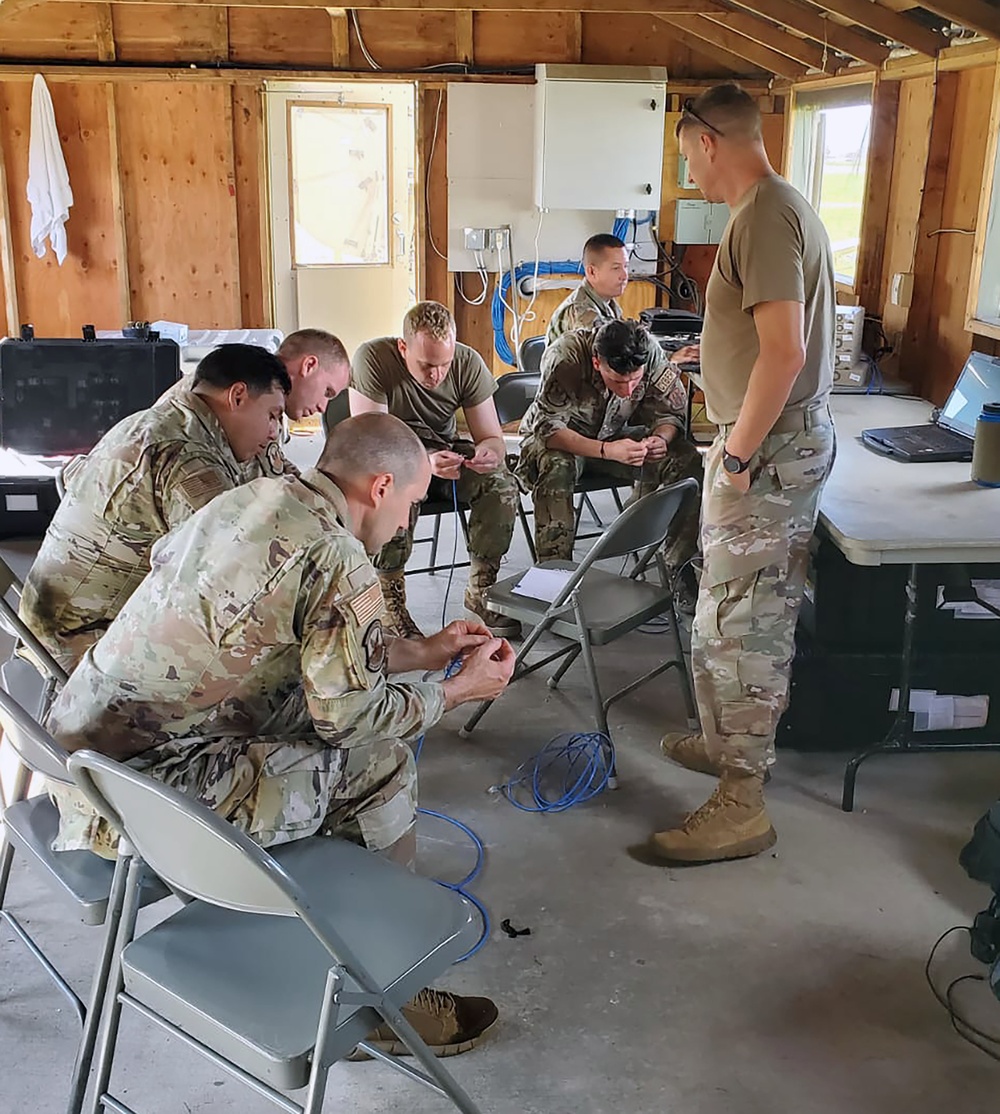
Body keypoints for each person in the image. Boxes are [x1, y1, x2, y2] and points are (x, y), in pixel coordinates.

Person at [46, 413, 516, 1057]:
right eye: (410, 504)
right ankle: (376, 996)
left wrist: (419, 652)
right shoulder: (338, 555)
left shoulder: (257, 495)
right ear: (380, 487)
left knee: (328, 730)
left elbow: (300, 644)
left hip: (84, 758)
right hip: (145, 801)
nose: (406, 523)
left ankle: (329, 943)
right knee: (379, 762)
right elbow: (347, 719)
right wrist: (456, 692)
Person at [641, 83, 836, 866]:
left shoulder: (761, 214)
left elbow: (785, 352)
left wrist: (741, 453)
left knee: (745, 627)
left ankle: (742, 801)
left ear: (707, 139)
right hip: (770, 442)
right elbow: (767, 345)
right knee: (724, 610)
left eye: (686, 149)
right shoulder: (774, 209)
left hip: (770, 450)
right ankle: (724, 744)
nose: (687, 165)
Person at [19, 344, 291, 672]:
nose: (274, 431)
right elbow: (233, 570)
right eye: (272, 415)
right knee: (274, 665)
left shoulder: (171, 421)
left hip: (62, 621)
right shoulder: (184, 455)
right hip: (83, 639)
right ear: (237, 396)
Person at [350, 301, 519, 639]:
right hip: (390, 458)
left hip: (444, 453)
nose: (437, 374)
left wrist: (488, 453)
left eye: (444, 364)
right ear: (403, 348)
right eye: (427, 365)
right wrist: (422, 464)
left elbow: (492, 438)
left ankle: (481, 588)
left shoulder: (467, 361)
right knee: (392, 488)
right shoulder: (373, 359)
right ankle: (389, 602)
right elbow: (371, 443)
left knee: (500, 485)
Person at [517, 319, 703, 595]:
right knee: (557, 465)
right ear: (596, 363)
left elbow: (669, 412)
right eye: (617, 381)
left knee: (685, 458)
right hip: (562, 441)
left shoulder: (649, 353)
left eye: (635, 380)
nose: (628, 390)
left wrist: (660, 439)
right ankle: (553, 580)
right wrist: (607, 451)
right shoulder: (566, 357)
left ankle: (678, 566)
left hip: (613, 433)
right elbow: (548, 430)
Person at [546, 233, 628, 343]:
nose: (624, 276)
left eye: (626, 266)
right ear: (592, 272)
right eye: (616, 268)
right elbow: (606, 356)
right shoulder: (581, 312)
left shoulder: (607, 302)